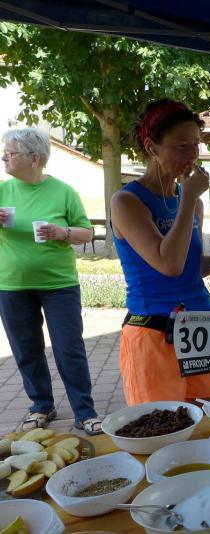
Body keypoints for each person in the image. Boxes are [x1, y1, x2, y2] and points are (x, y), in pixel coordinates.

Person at [111, 99, 210, 406]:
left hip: (201, 322)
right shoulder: (127, 201)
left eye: (196, 144)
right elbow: (168, 264)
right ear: (152, 147)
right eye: (182, 146)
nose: (193, 155)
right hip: (154, 329)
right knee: (164, 426)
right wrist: (188, 200)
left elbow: (188, 268)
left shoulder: (192, 202)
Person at [0, 128, 102, 434]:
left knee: (69, 349)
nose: (4, 158)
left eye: (10, 153)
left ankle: (85, 412)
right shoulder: (3, 190)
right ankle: (41, 406)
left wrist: (62, 232)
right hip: (11, 285)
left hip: (59, 286)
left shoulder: (64, 192)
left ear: (34, 158)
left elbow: (87, 232)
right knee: (26, 350)